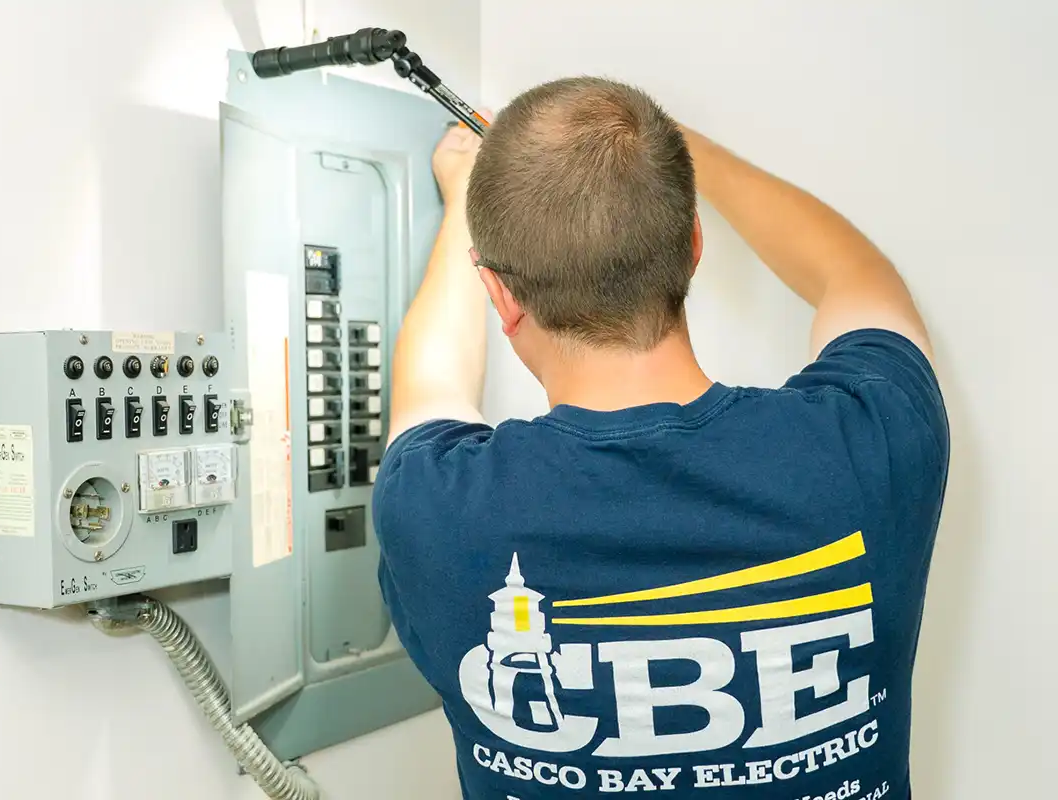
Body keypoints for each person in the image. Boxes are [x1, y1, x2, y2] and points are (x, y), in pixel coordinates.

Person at [372, 77, 948, 800]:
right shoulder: (868, 444)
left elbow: (431, 383)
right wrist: (682, 153)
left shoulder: (436, 512)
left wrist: (463, 193)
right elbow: (856, 275)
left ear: (500, 297)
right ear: (694, 243)